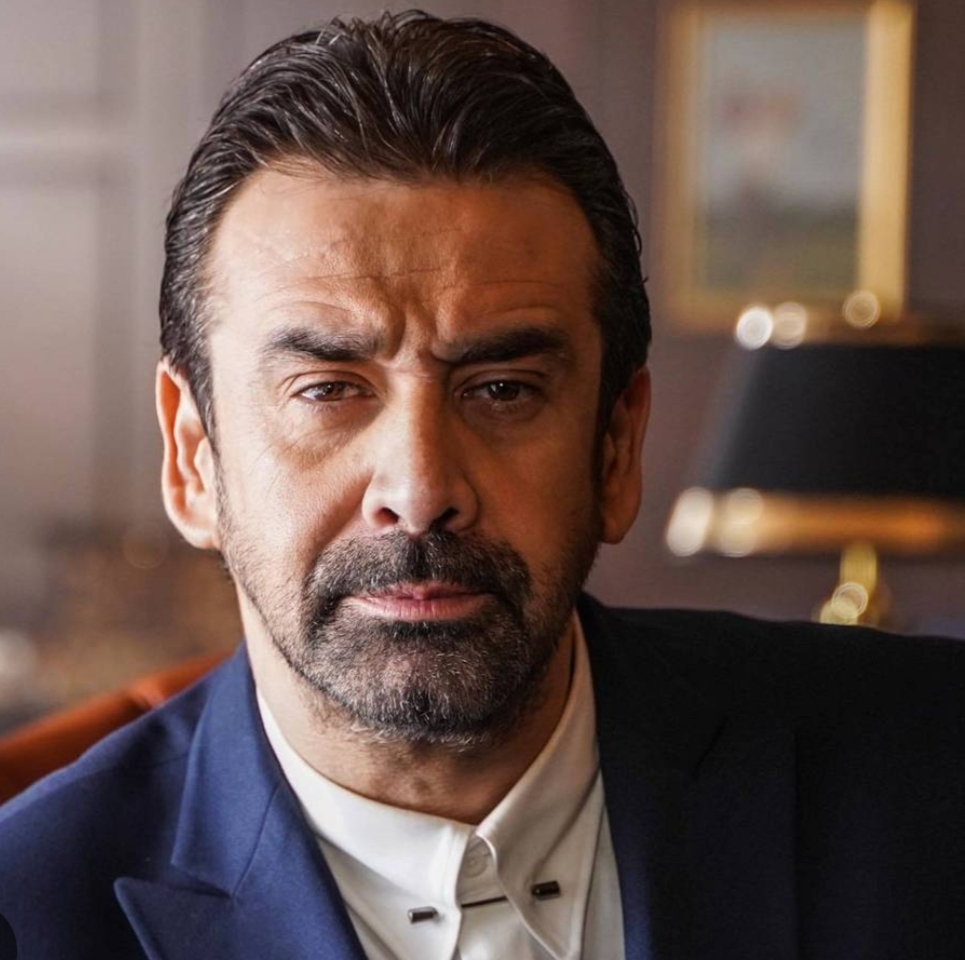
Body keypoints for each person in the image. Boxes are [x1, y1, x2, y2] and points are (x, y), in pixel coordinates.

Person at [1, 11, 964, 960]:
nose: (420, 489)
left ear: (616, 447)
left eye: (502, 389)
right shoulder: (28, 915)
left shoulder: (930, 776)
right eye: (328, 389)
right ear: (192, 456)